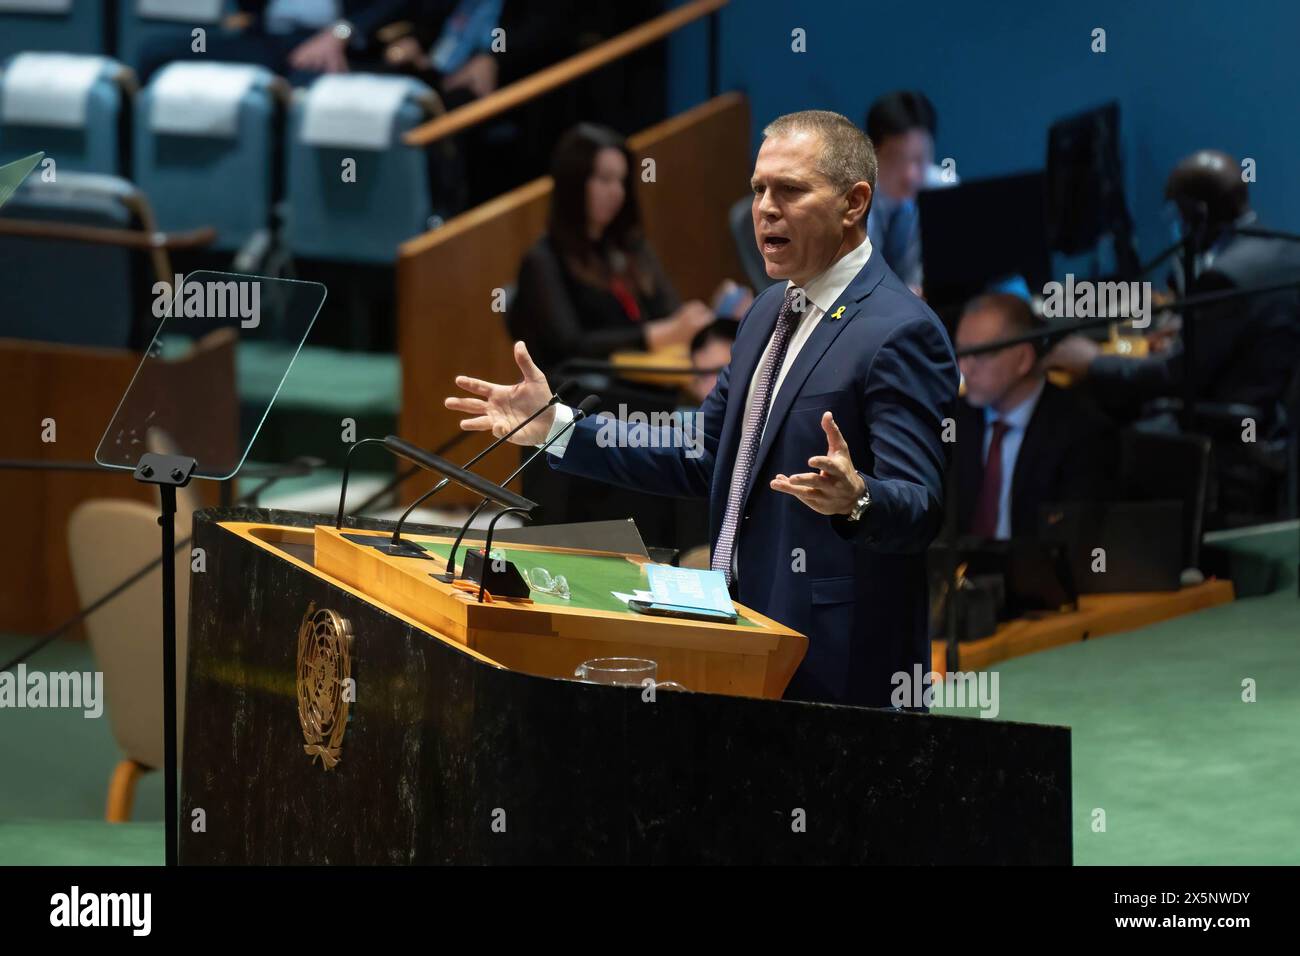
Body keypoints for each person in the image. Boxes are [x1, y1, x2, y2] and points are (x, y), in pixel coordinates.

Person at [447, 110, 959, 708]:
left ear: (854, 203)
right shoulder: (767, 312)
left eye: (790, 190)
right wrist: (559, 428)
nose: (766, 208)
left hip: (838, 664)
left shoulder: (900, 331)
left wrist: (860, 497)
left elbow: (922, 506)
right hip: (740, 635)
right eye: (759, 190)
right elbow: (707, 449)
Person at [507, 123, 716, 373]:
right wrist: (651, 336)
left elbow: (668, 310)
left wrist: (705, 320)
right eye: (604, 179)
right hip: (588, 397)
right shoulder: (543, 260)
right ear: (574, 183)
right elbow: (570, 346)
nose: (617, 192)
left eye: (622, 181)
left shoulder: (629, 246)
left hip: (650, 383)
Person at [953, 293, 1115, 540]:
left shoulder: (1082, 432)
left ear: (1023, 359)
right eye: (961, 353)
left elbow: (1076, 542)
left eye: (980, 354)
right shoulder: (952, 420)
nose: (964, 368)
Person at [137, 1, 408, 85]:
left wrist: (341, 33)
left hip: (333, 41)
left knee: (309, 90)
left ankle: (282, 198)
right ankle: (129, 174)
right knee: (156, 52)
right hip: (265, 39)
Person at [864, 90, 952, 295]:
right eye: (897, 159)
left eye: (921, 158)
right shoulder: (847, 199)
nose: (910, 175)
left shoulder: (944, 192)